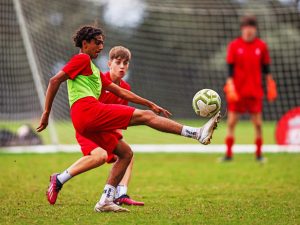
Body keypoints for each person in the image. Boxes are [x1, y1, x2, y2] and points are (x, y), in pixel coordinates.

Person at [37, 25, 220, 213]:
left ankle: (105, 200)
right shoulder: (82, 58)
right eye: (98, 43)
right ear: (85, 44)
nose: (101, 47)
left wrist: (149, 103)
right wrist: (46, 114)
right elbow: (54, 80)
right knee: (146, 119)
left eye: (103, 43)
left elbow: (118, 90)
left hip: (86, 122)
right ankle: (197, 133)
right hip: (87, 112)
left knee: (125, 154)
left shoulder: (94, 71)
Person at [76, 45, 144, 206]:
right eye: (118, 62)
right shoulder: (98, 82)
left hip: (106, 132)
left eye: (125, 63)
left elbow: (120, 117)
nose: (122, 66)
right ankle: (59, 179)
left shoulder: (125, 88)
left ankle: (121, 194)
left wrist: (118, 136)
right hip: (90, 131)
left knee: (127, 154)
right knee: (99, 157)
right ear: (109, 64)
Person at [223, 16, 277, 162]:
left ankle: (259, 155)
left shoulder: (261, 46)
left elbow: (266, 67)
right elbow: (230, 67)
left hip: (254, 91)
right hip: (237, 92)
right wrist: (230, 84)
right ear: (242, 30)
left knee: (258, 124)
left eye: (251, 28)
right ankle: (228, 154)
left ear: (255, 30)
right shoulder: (234, 45)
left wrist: (270, 82)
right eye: (246, 28)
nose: (249, 31)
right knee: (231, 123)